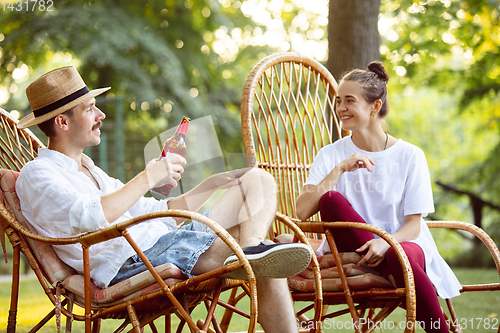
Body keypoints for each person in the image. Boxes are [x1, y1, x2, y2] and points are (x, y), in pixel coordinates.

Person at [15, 66, 312, 333]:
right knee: (270, 259)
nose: (100, 115)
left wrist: (209, 185)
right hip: (135, 259)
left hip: (165, 239)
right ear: (63, 123)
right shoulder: (38, 174)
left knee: (257, 180)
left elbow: (155, 210)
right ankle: (253, 253)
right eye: (90, 108)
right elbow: (92, 216)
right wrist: (148, 176)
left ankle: (250, 248)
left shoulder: (91, 170)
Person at [296, 61, 461, 333]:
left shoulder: (410, 155)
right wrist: (339, 169)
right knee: (330, 201)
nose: (340, 109)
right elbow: (302, 211)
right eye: (338, 101)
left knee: (400, 256)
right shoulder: (330, 154)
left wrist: (386, 244)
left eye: (349, 101)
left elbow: (413, 225)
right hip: (352, 246)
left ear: (375, 107)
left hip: (404, 242)